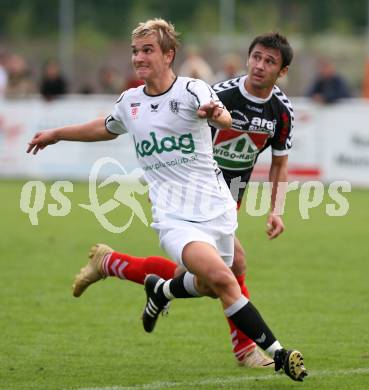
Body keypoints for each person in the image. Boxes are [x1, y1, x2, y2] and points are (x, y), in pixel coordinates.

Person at [27, 19, 307, 382]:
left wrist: (276, 209)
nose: (259, 65)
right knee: (227, 273)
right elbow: (106, 127)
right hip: (175, 209)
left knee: (203, 280)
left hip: (220, 201)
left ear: (282, 70)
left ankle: (128, 273)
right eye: (255, 57)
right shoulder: (141, 100)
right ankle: (262, 351)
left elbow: (254, 143)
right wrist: (57, 134)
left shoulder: (216, 95)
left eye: (269, 61)